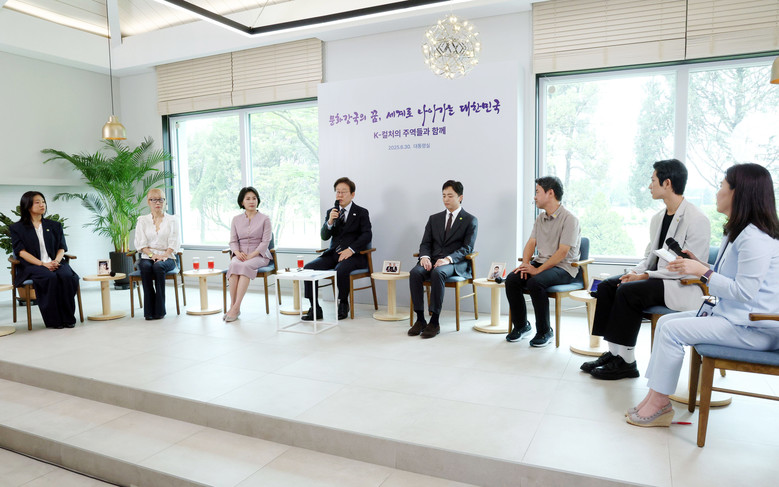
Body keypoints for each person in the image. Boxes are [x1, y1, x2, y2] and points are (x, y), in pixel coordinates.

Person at [628, 163, 779, 427]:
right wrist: (701, 265)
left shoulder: (755, 238)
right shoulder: (738, 232)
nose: (717, 192)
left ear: (738, 193)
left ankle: (659, 403)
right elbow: (730, 277)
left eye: (722, 186)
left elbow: (744, 292)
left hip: (753, 328)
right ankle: (655, 396)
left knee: (672, 331)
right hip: (734, 318)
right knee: (665, 323)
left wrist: (703, 272)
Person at [581, 159, 710, 379]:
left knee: (629, 291)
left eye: (653, 180)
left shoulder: (697, 219)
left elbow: (689, 268)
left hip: (681, 284)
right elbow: (650, 257)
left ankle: (627, 362)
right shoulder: (658, 218)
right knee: (608, 286)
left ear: (667, 183)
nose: (650, 186)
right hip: (657, 278)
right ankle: (614, 353)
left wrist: (644, 276)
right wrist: (634, 272)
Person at [505, 176, 580, 347]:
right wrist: (525, 264)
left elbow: (562, 252)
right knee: (512, 279)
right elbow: (531, 243)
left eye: (537, 192)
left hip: (564, 267)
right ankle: (522, 326)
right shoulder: (540, 218)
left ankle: (545, 331)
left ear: (550, 193)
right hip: (542, 263)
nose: (534, 196)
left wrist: (537, 271)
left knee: (535, 282)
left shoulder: (570, 219)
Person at [408, 180, 478, 338]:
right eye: (444, 195)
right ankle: (420, 319)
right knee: (415, 273)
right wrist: (424, 257)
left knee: (438, 272)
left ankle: (434, 321)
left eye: (450, 196)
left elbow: (467, 248)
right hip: (432, 260)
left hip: (454, 263)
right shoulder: (434, 219)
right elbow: (425, 243)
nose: (446, 199)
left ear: (460, 197)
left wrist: (447, 259)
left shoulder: (470, 220)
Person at [303, 177, 372, 321]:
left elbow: (367, 235)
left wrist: (350, 250)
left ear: (352, 194)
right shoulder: (331, 212)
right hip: (333, 254)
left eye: (343, 192)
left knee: (341, 269)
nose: (340, 195)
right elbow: (324, 236)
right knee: (308, 268)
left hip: (354, 256)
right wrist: (329, 221)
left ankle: (343, 303)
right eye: (337, 192)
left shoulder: (361, 212)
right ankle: (314, 308)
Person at [9, 191, 79, 329]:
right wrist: (43, 264)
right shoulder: (17, 228)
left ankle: (68, 318)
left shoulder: (55, 225)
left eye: (43, 202)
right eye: (37, 202)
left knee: (67, 277)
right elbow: (21, 252)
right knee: (49, 277)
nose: (42, 205)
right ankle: (54, 320)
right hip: (33, 265)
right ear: (28, 206)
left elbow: (62, 248)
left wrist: (56, 261)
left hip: (55, 262)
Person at [224, 187, 272, 322]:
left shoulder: (265, 219)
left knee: (245, 266)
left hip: (259, 255)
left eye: (254, 198)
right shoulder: (236, 219)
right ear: (242, 202)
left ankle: (236, 307)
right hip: (240, 255)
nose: (252, 201)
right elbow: (233, 241)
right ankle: (232, 306)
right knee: (234, 265)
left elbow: (265, 242)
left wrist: (252, 255)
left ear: (258, 200)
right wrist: (237, 253)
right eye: (248, 199)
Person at [134, 188, 180, 321]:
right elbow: (141, 243)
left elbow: (174, 242)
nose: (157, 202)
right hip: (147, 256)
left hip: (168, 256)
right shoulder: (142, 220)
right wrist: (151, 255)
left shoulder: (172, 220)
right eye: (153, 200)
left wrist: (164, 255)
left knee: (158, 266)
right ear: (148, 202)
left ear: (165, 201)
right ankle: (149, 311)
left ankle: (160, 310)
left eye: (160, 199)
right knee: (146, 266)